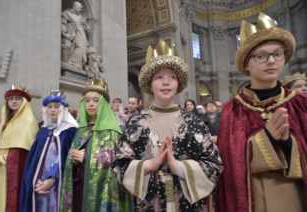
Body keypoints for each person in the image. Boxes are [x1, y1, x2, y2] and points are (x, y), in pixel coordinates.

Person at [113, 39, 223, 212]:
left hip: (188, 205)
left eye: (172, 77)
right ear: (149, 84)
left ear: (178, 83)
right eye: (159, 77)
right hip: (149, 204)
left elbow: (214, 165)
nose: (166, 82)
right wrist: (149, 165)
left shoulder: (194, 122)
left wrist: (178, 167)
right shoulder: (136, 123)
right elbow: (119, 165)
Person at [216, 13, 307, 212]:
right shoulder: (232, 108)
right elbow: (228, 162)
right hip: (250, 198)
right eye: (261, 56)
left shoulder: (301, 103)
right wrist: (265, 139)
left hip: (293, 194)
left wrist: (288, 142)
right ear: (246, 64)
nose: (271, 61)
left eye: (277, 53)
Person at [60, 80, 133, 212]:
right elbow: (70, 163)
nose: (91, 104)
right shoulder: (81, 131)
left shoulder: (112, 132)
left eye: (96, 100)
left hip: (102, 194)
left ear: (104, 104)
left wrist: (85, 158)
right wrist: (74, 161)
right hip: (79, 189)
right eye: (87, 100)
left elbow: (115, 165)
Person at [20, 90, 78, 212]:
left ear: (63, 109)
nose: (52, 110)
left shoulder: (69, 131)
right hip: (39, 181)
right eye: (49, 107)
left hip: (58, 179)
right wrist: (34, 179)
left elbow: (67, 156)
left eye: (57, 107)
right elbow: (33, 160)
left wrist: (52, 177)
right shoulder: (42, 131)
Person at [0, 85, 38, 212]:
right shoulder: (4, 123)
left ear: (24, 102)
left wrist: (2, 159)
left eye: (18, 98)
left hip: (10, 170)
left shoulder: (28, 122)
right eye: (11, 99)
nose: (14, 101)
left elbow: (24, 153)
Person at [61, 1, 90, 69]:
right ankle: (71, 62)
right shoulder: (67, 13)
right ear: (74, 6)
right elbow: (63, 24)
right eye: (79, 7)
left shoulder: (81, 17)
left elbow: (87, 30)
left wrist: (85, 24)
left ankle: (78, 66)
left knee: (83, 49)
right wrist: (65, 33)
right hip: (73, 34)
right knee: (80, 47)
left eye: (81, 8)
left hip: (82, 35)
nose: (80, 9)